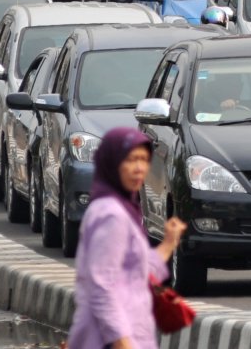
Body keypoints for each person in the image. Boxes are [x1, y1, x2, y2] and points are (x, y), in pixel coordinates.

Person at [67, 128, 186, 349]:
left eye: (144, 160)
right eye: (131, 160)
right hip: (113, 339)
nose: (139, 168)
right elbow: (102, 286)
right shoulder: (111, 215)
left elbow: (135, 272)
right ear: (112, 163)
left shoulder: (120, 208)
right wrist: (122, 343)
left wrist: (169, 243)